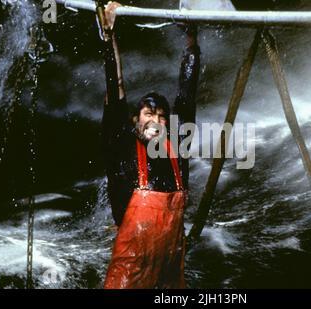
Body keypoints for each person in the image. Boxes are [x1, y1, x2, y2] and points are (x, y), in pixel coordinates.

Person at [98, 2, 200, 288]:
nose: (155, 121)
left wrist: (192, 40)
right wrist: (110, 34)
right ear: (135, 120)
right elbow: (115, 86)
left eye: (161, 117)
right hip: (130, 270)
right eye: (148, 115)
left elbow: (187, 95)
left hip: (169, 267)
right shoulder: (121, 146)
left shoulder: (177, 149)